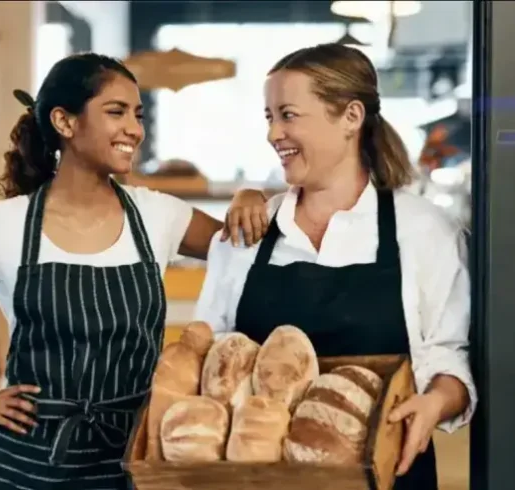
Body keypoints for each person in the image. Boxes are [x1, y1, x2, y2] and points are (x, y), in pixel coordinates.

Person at [0, 53, 255, 489]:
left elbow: (250, 247)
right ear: (64, 121)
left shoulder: (158, 216)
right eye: (116, 112)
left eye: (137, 114)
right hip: (29, 461)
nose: (135, 129)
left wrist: (248, 198)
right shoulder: (5, 224)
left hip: (132, 454)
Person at [198, 43, 475, 490]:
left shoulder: (424, 231)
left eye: (288, 115)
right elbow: (213, 363)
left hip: (388, 473)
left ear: (351, 116)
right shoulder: (246, 235)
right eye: (269, 117)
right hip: (263, 482)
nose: (273, 134)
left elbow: (449, 355)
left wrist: (436, 402)